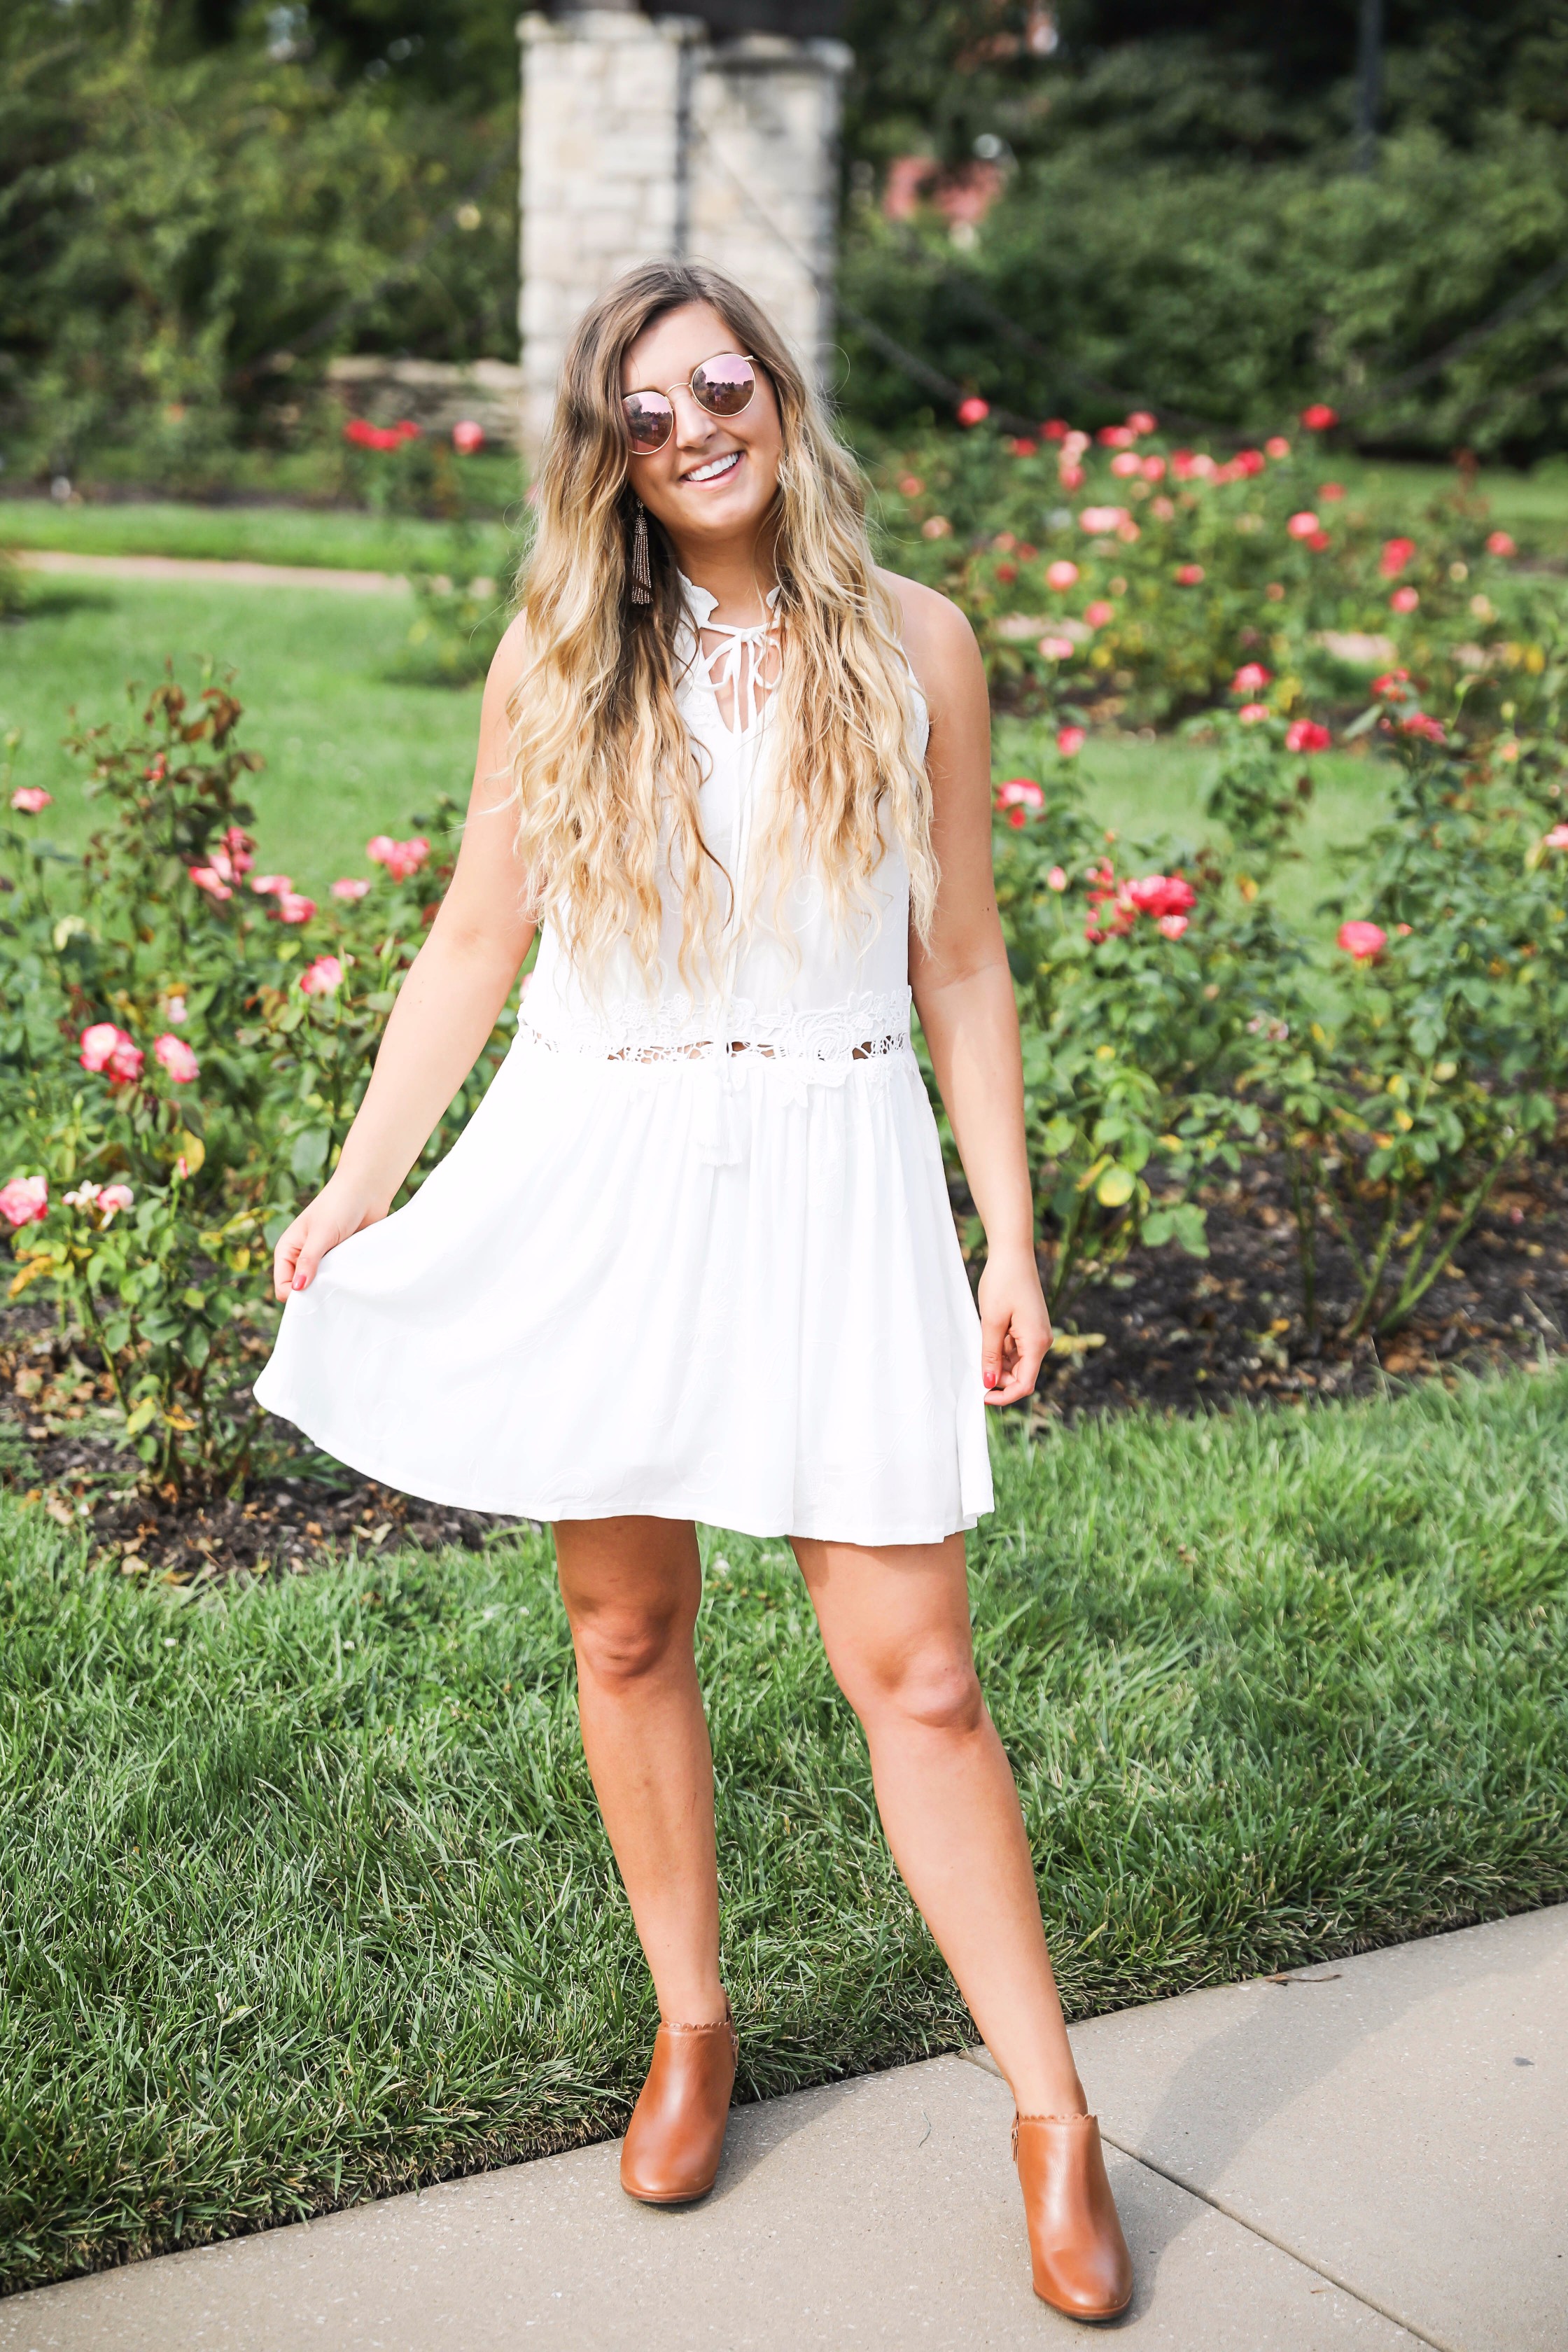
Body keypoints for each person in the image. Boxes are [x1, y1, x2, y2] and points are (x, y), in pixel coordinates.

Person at [256, 260, 1133, 2323]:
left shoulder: (919, 641)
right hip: (605, 1164)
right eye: (642, 414)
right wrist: (361, 1178)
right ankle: (694, 2025)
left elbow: (965, 961)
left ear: (778, 388)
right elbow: (478, 936)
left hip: (836, 1168)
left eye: (716, 385)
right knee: (628, 1620)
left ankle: (1054, 2117)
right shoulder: (564, 651)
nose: (691, 431)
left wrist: (1008, 1230)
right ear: (606, 454)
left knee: (916, 1670)